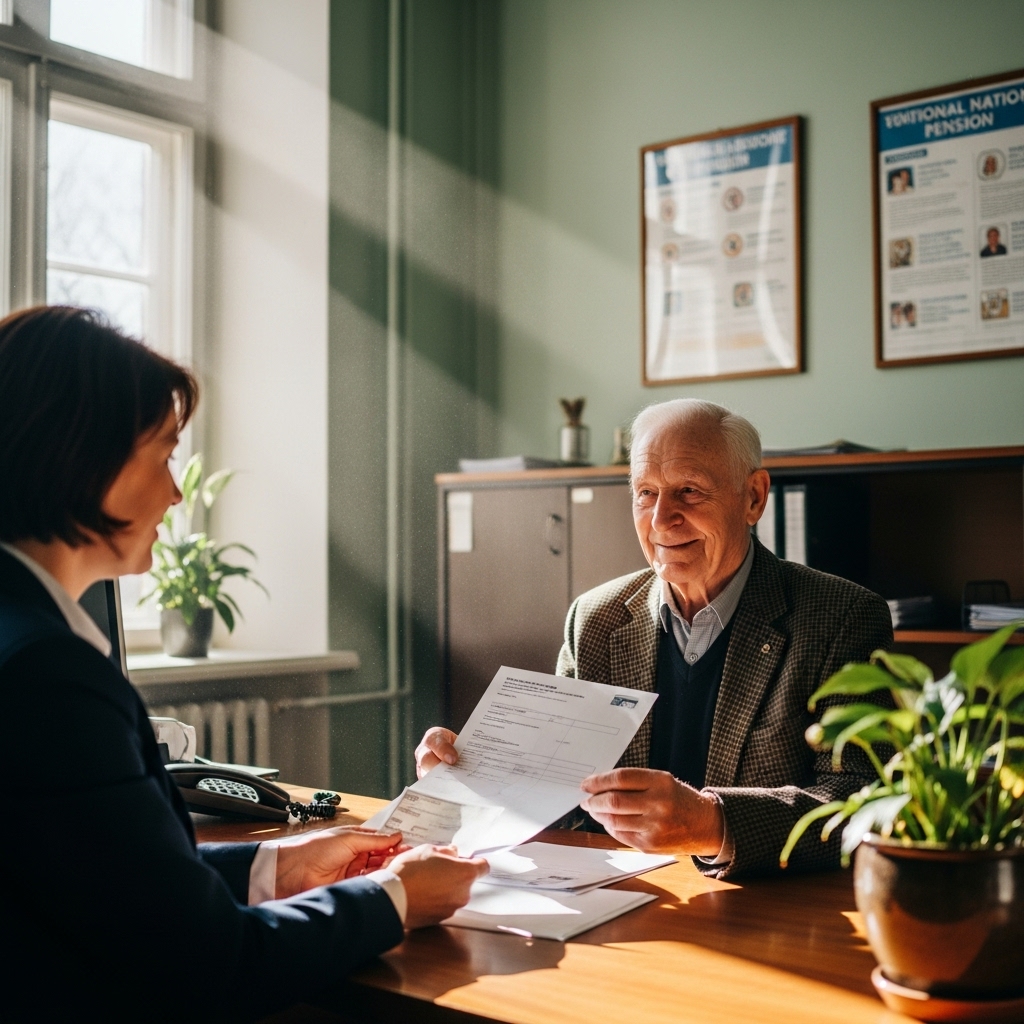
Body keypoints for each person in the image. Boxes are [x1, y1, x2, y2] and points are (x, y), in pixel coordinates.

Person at [0, 306, 487, 1023]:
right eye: (163, 454)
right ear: (84, 456)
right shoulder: (49, 676)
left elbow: (117, 889)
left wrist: (282, 864)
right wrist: (398, 897)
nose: (173, 493)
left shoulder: (25, 639)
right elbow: (209, 965)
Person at [417, 399, 892, 879]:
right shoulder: (595, 619)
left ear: (753, 497)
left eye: (689, 491)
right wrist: (469, 780)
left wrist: (714, 824)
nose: (662, 519)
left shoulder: (842, 618)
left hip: (763, 910)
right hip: (620, 904)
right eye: (646, 493)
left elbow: (866, 801)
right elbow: (557, 794)